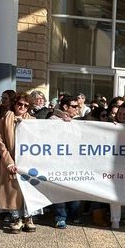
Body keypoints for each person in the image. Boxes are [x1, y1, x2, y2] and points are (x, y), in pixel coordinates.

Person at [0, 93, 36, 234]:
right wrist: (9, 162)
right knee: (13, 192)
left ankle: (28, 218)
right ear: (14, 104)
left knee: (28, 191)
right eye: (20, 104)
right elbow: (1, 142)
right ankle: (16, 219)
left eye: (26, 105)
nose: (22, 107)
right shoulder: (5, 118)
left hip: (28, 163)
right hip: (10, 161)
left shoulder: (33, 121)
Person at [49, 95, 82, 228]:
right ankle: (60, 216)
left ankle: (74, 214)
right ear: (65, 107)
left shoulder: (77, 121)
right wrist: (63, 124)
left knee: (75, 188)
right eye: (74, 106)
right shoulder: (53, 120)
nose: (77, 109)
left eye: (78, 106)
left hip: (74, 161)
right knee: (59, 190)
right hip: (59, 161)